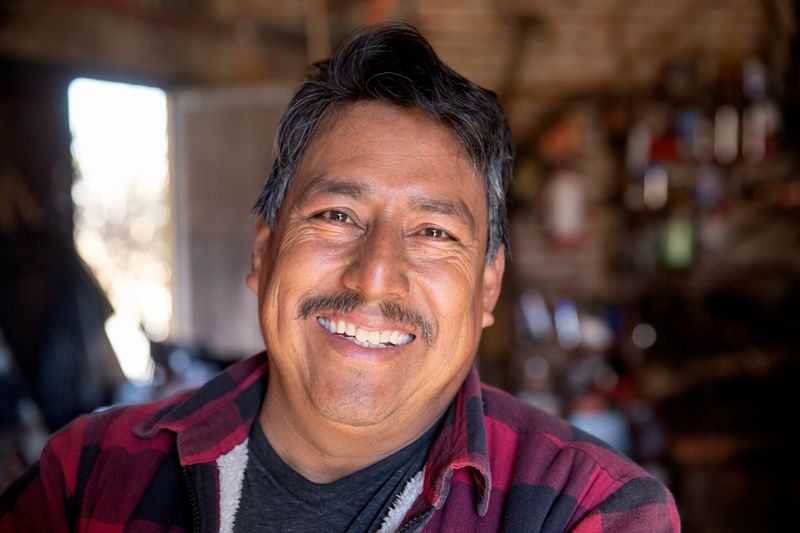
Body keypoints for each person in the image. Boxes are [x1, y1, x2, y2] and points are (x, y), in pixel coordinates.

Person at [0, 23, 680, 532]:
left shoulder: (585, 507)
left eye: (434, 232)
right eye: (336, 215)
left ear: (487, 287)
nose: (375, 277)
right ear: (263, 252)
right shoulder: (89, 477)